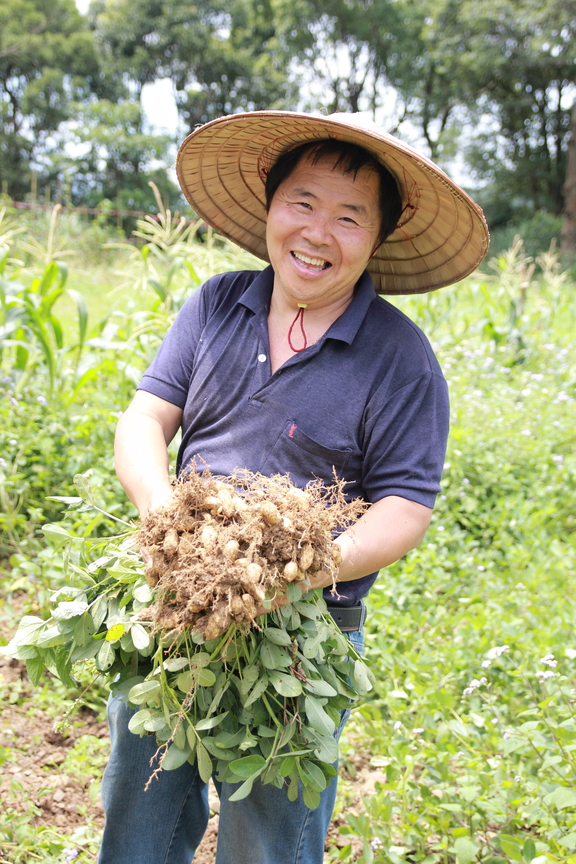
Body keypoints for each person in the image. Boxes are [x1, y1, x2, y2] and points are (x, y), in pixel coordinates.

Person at [100, 111, 489, 864]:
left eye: (349, 217)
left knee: (270, 834)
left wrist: (302, 565)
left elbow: (406, 507)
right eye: (303, 204)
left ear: (377, 239)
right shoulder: (217, 303)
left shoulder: (400, 358)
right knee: (139, 805)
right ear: (271, 209)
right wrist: (166, 522)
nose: (318, 233)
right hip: (177, 604)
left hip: (305, 634)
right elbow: (144, 421)